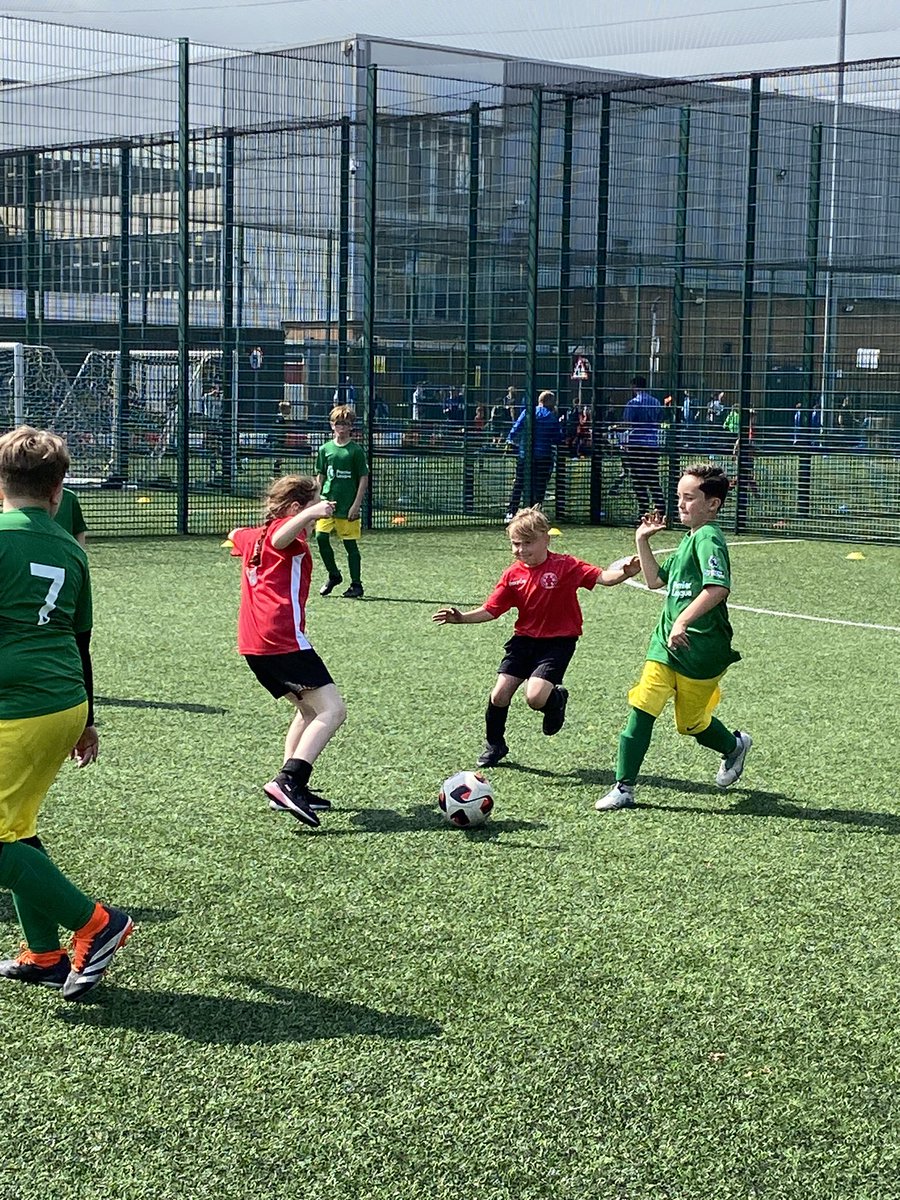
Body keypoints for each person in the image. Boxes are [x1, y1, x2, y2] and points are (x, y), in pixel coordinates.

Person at [0, 426, 132, 1000]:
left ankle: (96, 923)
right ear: (59, 490)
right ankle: (44, 953)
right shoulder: (71, 549)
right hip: (62, 704)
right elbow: (80, 641)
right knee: (17, 829)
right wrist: (89, 720)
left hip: (17, 709)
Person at [595, 464, 751, 812]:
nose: (680, 503)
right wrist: (642, 540)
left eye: (689, 497)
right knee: (642, 706)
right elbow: (655, 581)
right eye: (679, 496)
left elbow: (718, 588)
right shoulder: (689, 537)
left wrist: (682, 620)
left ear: (712, 504)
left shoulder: (709, 536)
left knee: (692, 724)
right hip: (665, 644)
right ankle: (624, 787)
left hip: (702, 650)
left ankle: (734, 746)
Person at [433, 507, 640, 767]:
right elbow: (491, 610)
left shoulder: (566, 565)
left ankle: (556, 700)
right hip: (524, 642)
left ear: (546, 538)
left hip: (558, 642)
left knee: (535, 698)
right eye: (515, 544)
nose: (521, 550)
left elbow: (603, 577)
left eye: (527, 543)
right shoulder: (513, 575)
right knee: (499, 695)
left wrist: (624, 572)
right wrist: (462, 617)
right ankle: (495, 745)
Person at [229, 475, 347, 828]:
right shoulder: (289, 536)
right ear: (296, 509)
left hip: (254, 642)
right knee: (333, 711)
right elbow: (280, 536)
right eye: (313, 507)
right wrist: (309, 515)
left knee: (308, 711)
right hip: (280, 638)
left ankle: (291, 787)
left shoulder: (253, 536)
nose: (317, 518)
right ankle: (289, 780)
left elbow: (237, 535)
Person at [315, 405, 369, 599]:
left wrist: (356, 504)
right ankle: (334, 575)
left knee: (350, 545)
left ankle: (356, 584)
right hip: (328, 503)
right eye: (338, 423)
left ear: (351, 427)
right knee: (321, 537)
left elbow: (363, 478)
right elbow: (321, 475)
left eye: (345, 424)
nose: (341, 427)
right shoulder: (325, 449)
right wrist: (315, 500)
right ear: (332, 425)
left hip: (347, 506)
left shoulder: (355, 451)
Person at [505, 390, 563, 521]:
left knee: (519, 483)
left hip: (525, 454)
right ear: (548, 401)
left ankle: (511, 511)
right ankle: (536, 512)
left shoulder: (528, 412)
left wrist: (510, 439)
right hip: (543, 455)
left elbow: (516, 427)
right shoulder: (551, 416)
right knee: (540, 484)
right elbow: (557, 438)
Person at [620, 376, 665, 516]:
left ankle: (643, 509)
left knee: (638, 479)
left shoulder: (632, 403)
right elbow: (660, 419)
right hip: (652, 444)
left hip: (636, 444)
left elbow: (628, 423)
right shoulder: (656, 402)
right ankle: (661, 507)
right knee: (652, 477)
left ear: (634, 386)